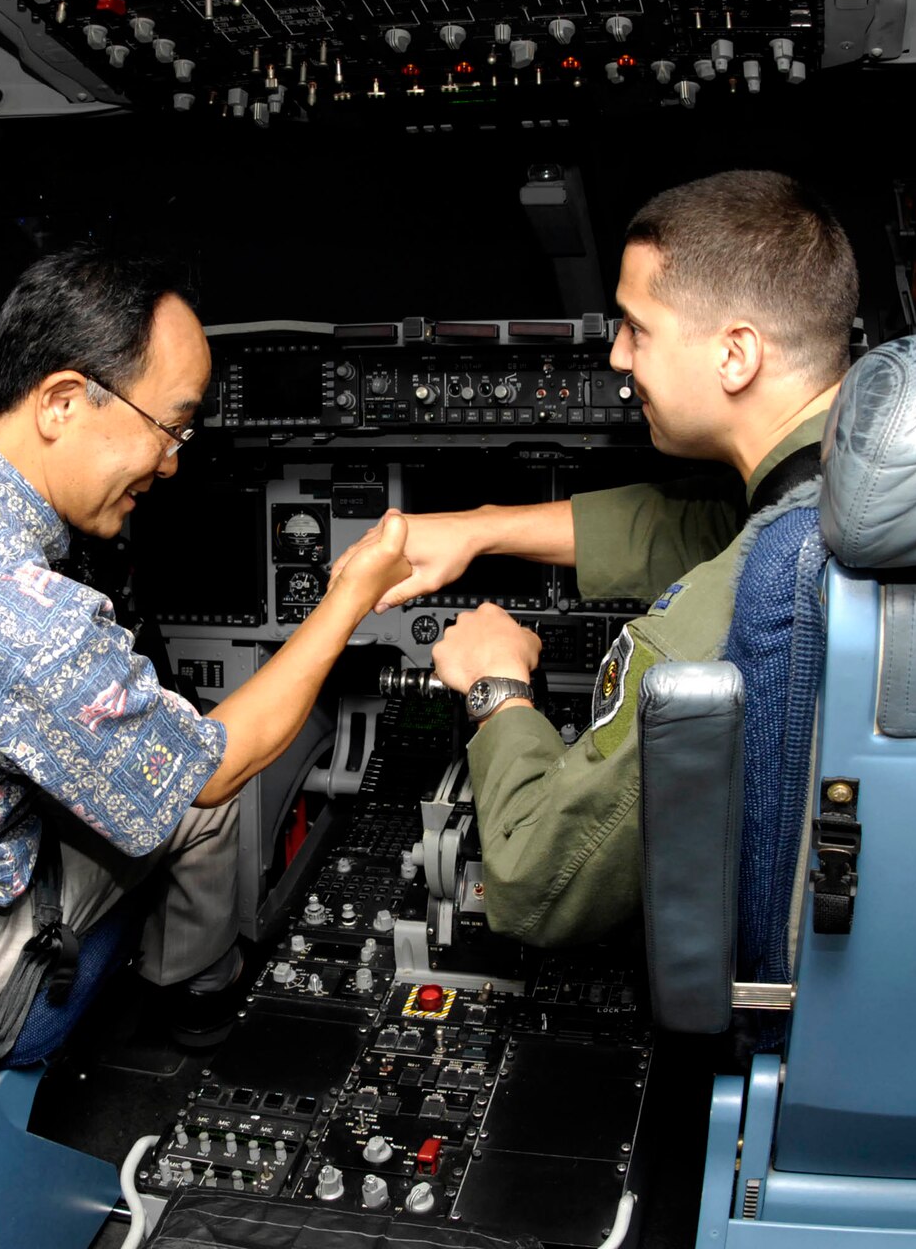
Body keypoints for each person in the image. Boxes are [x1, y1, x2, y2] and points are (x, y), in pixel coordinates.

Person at [0, 245, 411, 1053]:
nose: (175, 462)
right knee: (197, 813)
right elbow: (212, 768)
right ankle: (197, 1005)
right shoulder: (37, 629)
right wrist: (348, 598)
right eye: (168, 426)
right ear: (63, 402)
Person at [331, 169, 857, 948]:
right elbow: (699, 524)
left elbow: (540, 882)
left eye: (637, 329)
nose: (616, 356)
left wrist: (495, 683)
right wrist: (480, 527)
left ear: (735, 354)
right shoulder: (858, 474)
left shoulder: (748, 605)